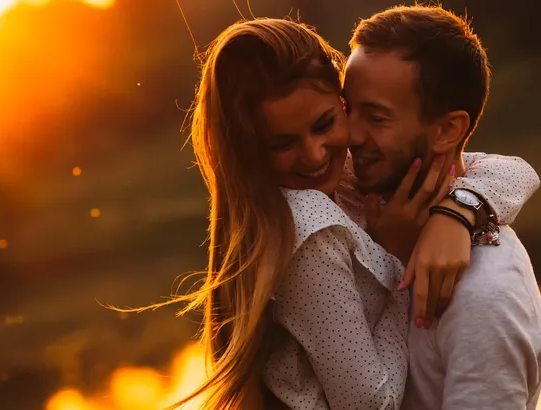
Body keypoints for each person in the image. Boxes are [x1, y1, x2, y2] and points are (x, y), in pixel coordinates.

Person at [147, 18, 537, 410]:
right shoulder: (310, 220)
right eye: (283, 143)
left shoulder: (346, 177)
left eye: (331, 121)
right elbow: (371, 405)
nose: (322, 151)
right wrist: (398, 260)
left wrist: (458, 211)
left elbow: (515, 169)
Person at [344, 5, 541, 409]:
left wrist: (458, 209)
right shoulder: (354, 191)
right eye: (348, 110)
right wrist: (458, 208)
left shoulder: (484, 298)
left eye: (376, 118)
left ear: (448, 130)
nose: (350, 135)